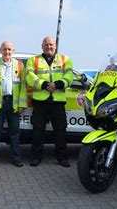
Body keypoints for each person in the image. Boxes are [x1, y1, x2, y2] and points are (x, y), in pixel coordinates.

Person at [25, 36, 73, 167]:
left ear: (55, 46)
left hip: (58, 101)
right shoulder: (33, 60)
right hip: (40, 101)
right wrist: (45, 84)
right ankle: (36, 157)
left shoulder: (65, 59)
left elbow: (69, 76)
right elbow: (29, 77)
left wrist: (57, 84)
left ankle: (62, 158)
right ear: (42, 46)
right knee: (38, 131)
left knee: (60, 131)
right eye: (46, 45)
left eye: (51, 45)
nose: (49, 47)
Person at [0, 41, 27, 168]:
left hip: (13, 104)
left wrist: (22, 105)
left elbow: (23, 87)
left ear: (13, 50)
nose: (7, 52)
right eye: (5, 49)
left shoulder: (19, 65)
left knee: (15, 133)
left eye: (9, 49)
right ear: (0, 50)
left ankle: (16, 158)